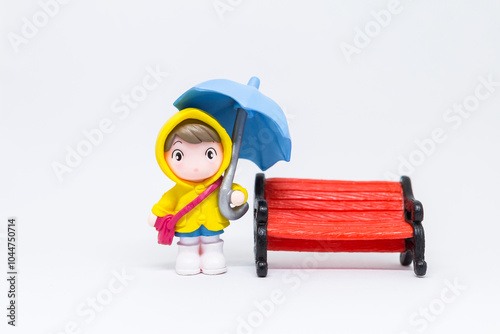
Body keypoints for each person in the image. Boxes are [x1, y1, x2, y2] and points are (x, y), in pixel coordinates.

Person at [148, 108, 247, 275]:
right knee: (188, 242)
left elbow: (232, 189)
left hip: (212, 222)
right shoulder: (179, 190)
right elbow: (167, 202)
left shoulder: (220, 184)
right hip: (187, 225)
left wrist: (237, 195)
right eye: (179, 155)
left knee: (212, 240)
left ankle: (213, 254)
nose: (195, 166)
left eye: (209, 154)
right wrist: (157, 215)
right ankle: (187, 257)